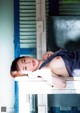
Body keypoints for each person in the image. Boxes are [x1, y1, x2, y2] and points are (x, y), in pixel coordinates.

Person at [10, 49, 80, 88]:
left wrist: (54, 53)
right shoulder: (44, 72)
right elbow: (62, 84)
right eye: (25, 68)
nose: (29, 63)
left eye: (24, 61)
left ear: (27, 56)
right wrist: (41, 73)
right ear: (29, 74)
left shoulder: (47, 58)